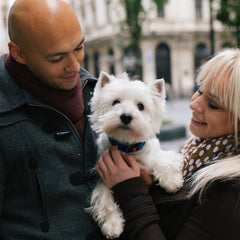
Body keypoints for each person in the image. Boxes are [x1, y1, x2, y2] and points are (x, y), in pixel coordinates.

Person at [96, 48, 240, 239]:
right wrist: (149, 183)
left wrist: (131, 192)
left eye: (213, 104)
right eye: (199, 90)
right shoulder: (198, 150)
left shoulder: (231, 192)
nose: (193, 104)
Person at [0, 0, 103, 239]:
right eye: (56, 58)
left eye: (79, 47)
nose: (75, 66)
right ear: (18, 53)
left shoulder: (98, 91)